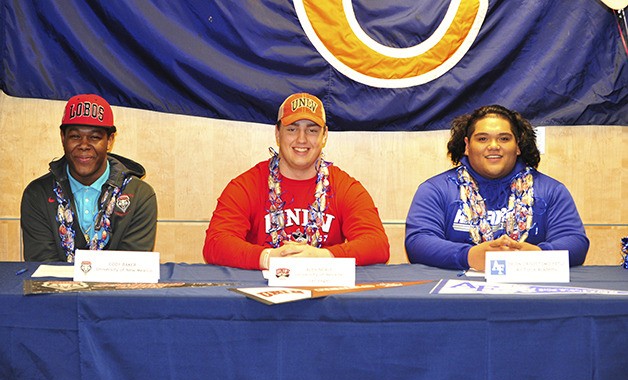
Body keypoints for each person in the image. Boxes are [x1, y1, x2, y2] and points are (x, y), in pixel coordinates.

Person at [203, 92, 390, 270]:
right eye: (292, 129)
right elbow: (216, 243)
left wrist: (322, 257)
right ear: (277, 134)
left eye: (312, 130)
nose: (302, 139)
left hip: (325, 297)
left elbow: (377, 244)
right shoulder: (246, 185)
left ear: (324, 136)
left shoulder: (345, 187)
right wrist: (268, 258)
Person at [405, 105, 589, 271]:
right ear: (467, 146)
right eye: (482, 139)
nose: (494, 146)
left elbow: (575, 242)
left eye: (504, 138)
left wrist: (539, 255)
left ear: (517, 146)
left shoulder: (551, 190)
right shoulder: (435, 190)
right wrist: (469, 256)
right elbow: (418, 242)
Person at [20, 94, 158, 262]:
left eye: (94, 137)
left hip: (119, 289)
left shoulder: (139, 195)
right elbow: (42, 266)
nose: (84, 145)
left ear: (109, 141)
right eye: (75, 136)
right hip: (55, 288)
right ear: (63, 138)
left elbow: (131, 267)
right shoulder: (38, 194)